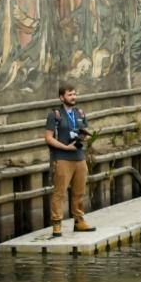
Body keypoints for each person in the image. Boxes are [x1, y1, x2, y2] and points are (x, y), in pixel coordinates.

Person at [43, 84, 94, 236]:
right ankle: (57, 223)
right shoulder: (55, 114)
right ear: (61, 97)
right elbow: (48, 138)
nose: (73, 97)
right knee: (59, 192)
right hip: (62, 158)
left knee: (79, 192)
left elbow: (83, 130)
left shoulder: (80, 113)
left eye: (74, 94)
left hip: (79, 157)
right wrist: (65, 148)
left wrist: (84, 137)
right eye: (70, 95)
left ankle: (79, 221)